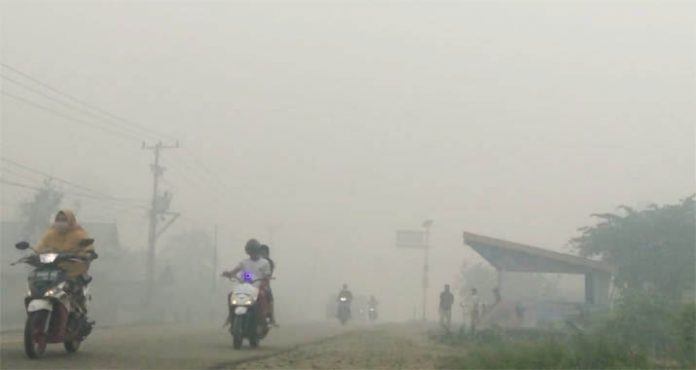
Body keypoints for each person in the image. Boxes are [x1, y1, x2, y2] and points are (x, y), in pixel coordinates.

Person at [35, 210, 96, 316]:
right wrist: (36, 254)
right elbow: (39, 248)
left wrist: (87, 253)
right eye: (58, 220)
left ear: (71, 221)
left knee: (75, 289)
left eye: (64, 220)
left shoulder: (79, 234)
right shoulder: (50, 234)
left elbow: (88, 247)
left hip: (73, 271)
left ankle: (78, 310)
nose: (60, 222)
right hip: (54, 270)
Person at [222, 239, 272, 325]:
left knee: (262, 296)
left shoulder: (264, 263)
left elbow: (266, 277)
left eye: (255, 251)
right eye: (251, 251)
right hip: (245, 288)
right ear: (247, 251)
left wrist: (264, 283)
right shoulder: (244, 262)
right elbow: (235, 271)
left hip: (258, 288)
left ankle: (263, 318)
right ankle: (231, 315)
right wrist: (229, 274)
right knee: (231, 294)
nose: (253, 253)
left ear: (258, 251)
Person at [259, 244, 278, 326]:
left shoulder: (269, 262)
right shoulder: (255, 261)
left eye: (264, 253)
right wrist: (246, 278)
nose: (262, 254)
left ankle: (272, 319)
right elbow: (249, 272)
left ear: (267, 253)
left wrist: (265, 278)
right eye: (261, 252)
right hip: (252, 284)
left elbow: (268, 274)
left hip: (264, 284)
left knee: (270, 298)